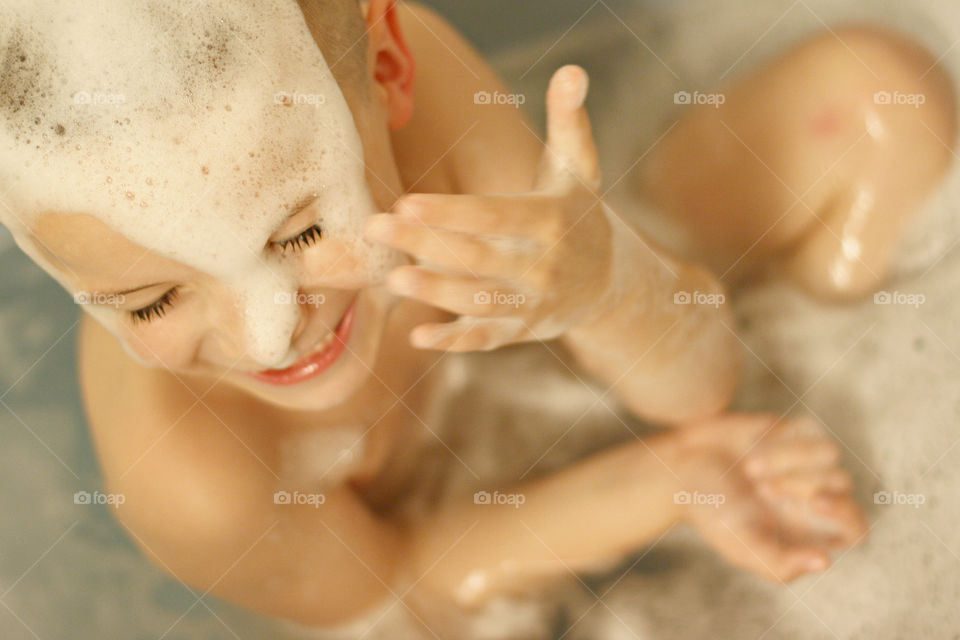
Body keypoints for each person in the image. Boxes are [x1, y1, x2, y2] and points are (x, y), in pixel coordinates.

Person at [0, 0, 869, 635]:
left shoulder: (430, 120)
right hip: (431, 539)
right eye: (150, 301)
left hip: (527, 341)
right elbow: (404, 594)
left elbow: (700, 390)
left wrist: (611, 284)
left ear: (389, 70)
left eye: (300, 234)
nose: (269, 333)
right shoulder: (194, 480)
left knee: (874, 101)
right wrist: (666, 483)